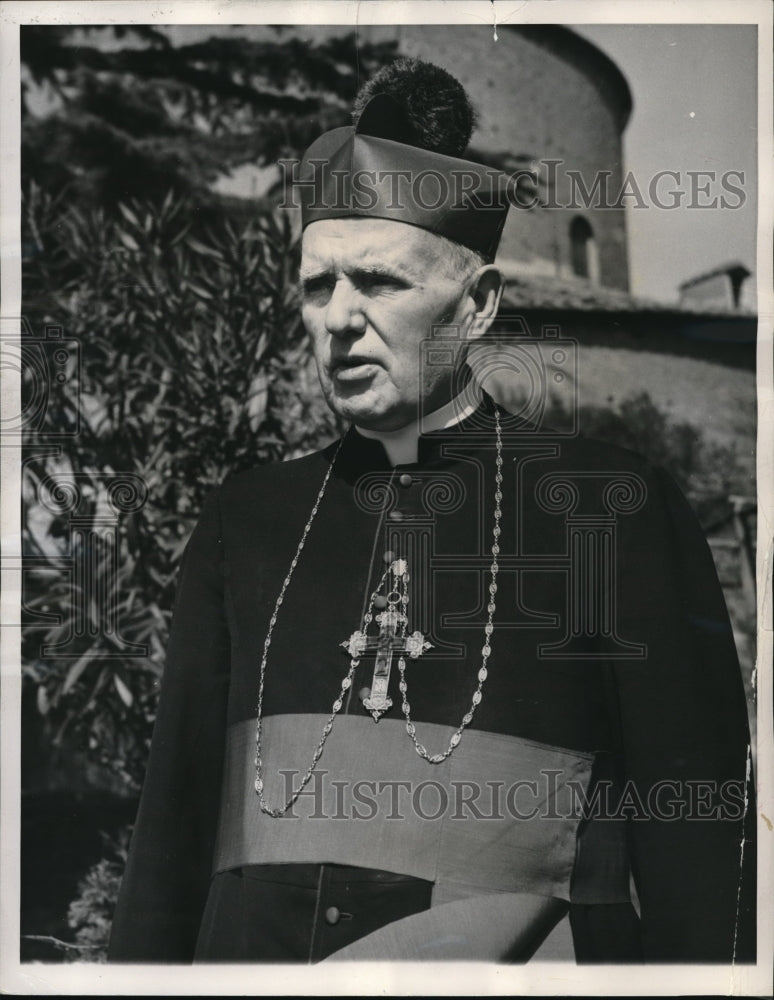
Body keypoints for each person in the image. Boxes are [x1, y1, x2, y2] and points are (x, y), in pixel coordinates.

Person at [108, 58, 755, 964]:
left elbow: (704, 862)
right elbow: (168, 848)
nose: (337, 319)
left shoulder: (614, 511)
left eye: (377, 282)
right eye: (316, 285)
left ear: (479, 306)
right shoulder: (243, 522)